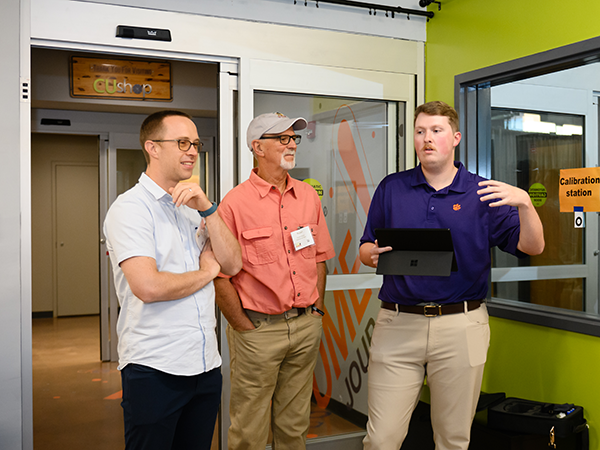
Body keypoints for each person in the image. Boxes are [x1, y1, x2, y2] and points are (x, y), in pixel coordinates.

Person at [359, 101, 545, 450]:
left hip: (461, 325)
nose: (426, 139)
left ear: (455, 137)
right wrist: (372, 255)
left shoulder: (483, 193)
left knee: (453, 440)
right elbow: (366, 246)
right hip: (398, 324)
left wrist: (525, 204)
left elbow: (532, 246)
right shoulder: (392, 187)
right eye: (420, 131)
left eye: (436, 130)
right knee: (381, 439)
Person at [103, 110, 242, 450]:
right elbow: (148, 287)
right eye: (182, 143)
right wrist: (207, 272)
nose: (192, 151)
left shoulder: (191, 206)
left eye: (195, 143)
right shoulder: (130, 209)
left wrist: (208, 208)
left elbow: (234, 263)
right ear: (152, 147)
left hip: (205, 364)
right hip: (155, 368)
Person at [214, 112, 335, 450]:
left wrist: (316, 311)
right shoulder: (234, 204)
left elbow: (319, 257)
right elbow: (220, 276)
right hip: (258, 331)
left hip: (305, 325)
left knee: (294, 423)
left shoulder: (308, 197)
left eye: (294, 138)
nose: (292, 143)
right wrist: (241, 325)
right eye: (282, 138)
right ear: (258, 147)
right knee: (249, 428)